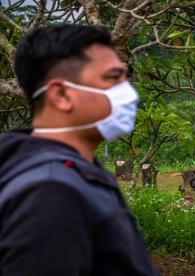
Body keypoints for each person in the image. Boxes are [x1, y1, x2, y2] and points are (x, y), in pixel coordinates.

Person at [0, 25, 160, 275]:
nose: (129, 94)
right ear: (62, 94)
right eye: (112, 78)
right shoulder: (51, 192)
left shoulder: (65, 171)